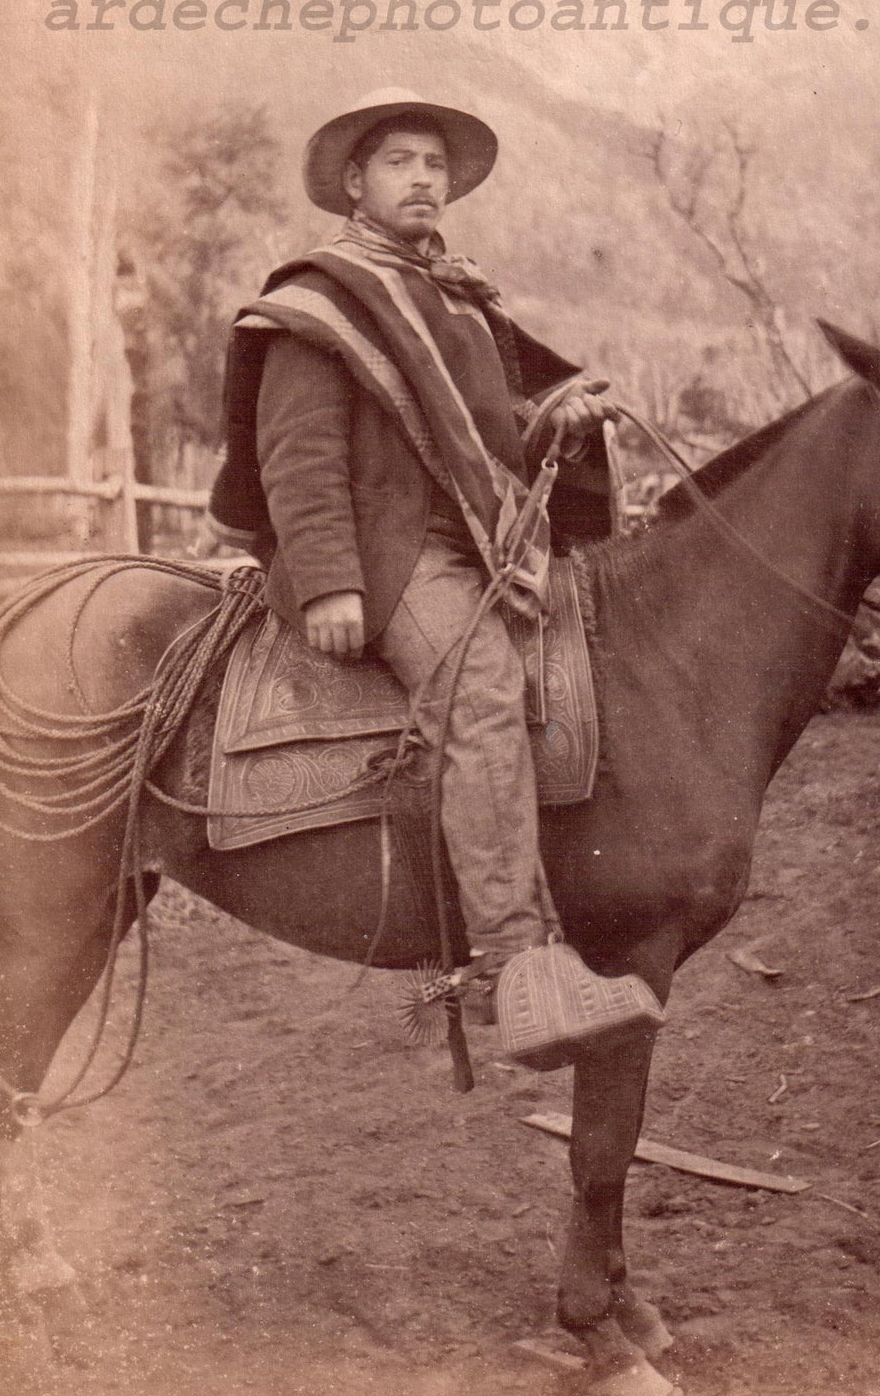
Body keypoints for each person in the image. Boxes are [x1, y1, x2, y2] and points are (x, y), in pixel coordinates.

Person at [208, 89, 621, 1010]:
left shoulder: (458, 298)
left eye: (434, 164)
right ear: (355, 182)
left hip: (482, 544)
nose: (423, 178)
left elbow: (490, 442)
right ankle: (511, 960)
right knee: (481, 693)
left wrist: (555, 419)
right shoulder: (318, 301)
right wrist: (328, 582)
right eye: (400, 161)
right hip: (387, 555)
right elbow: (298, 453)